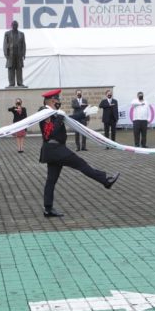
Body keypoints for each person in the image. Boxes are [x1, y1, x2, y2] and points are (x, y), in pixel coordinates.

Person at [38, 89, 120, 217]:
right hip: (55, 149)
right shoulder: (44, 112)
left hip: (53, 151)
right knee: (82, 164)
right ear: (53, 100)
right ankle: (106, 180)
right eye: (57, 100)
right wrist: (59, 117)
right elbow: (51, 132)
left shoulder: (54, 113)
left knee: (51, 181)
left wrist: (83, 113)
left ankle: (48, 209)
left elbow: (68, 119)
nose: (59, 102)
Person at [3, 20, 26, 87]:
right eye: (13, 25)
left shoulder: (21, 34)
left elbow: (23, 45)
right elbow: (5, 44)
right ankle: (11, 83)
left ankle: (20, 83)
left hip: (19, 54)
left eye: (16, 25)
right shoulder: (7, 33)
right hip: (10, 54)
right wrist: (6, 54)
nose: (15, 26)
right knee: (11, 69)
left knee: (19, 69)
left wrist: (24, 54)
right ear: (11, 25)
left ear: (17, 26)